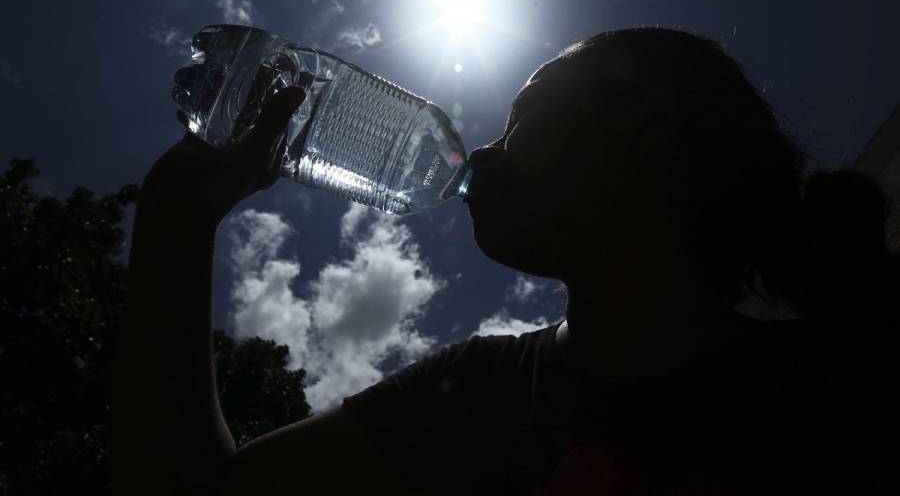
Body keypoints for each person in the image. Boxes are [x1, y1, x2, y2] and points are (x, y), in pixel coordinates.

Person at [111, 27, 898, 495]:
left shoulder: (842, 388)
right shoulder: (474, 394)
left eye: (526, 117)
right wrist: (177, 221)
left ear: (648, 139)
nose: (484, 148)